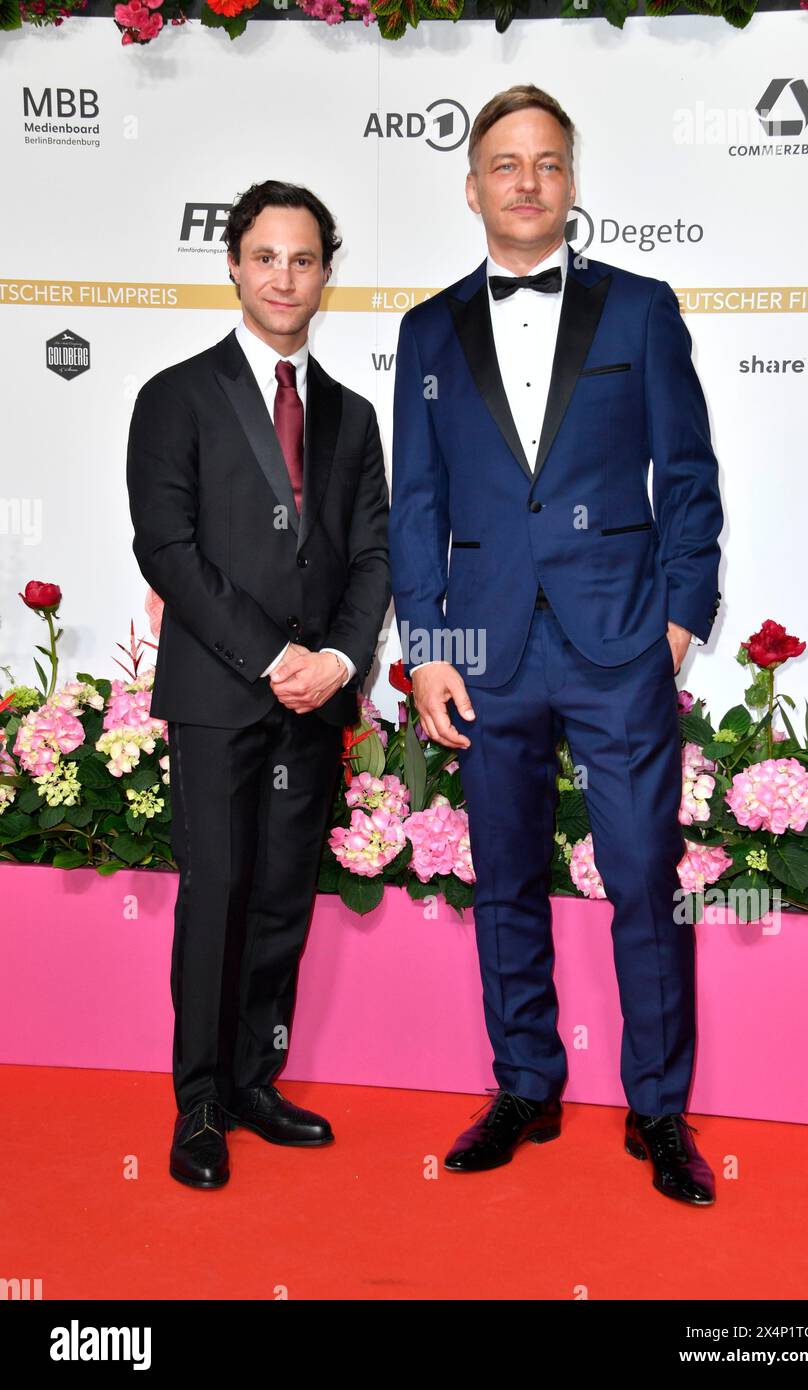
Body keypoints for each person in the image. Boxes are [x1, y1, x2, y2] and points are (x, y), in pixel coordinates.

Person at [389, 86, 723, 1205]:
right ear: (473, 183)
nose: (526, 182)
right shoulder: (427, 328)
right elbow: (415, 501)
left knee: (644, 875)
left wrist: (679, 616)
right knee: (506, 882)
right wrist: (428, 644)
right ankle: (525, 1080)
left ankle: (660, 1109)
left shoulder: (640, 308)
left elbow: (687, 476)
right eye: (504, 164)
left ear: (571, 184)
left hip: (619, 640)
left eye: (547, 164)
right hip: (483, 649)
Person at [126, 180, 391, 1189]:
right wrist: (271, 656)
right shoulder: (175, 396)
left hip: (316, 699)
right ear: (233, 264)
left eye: (305, 258)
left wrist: (339, 658)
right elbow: (169, 549)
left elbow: (373, 552)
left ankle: (252, 1079)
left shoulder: (355, 417)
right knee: (219, 893)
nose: (286, 276)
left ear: (328, 272)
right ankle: (196, 1101)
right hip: (218, 692)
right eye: (266, 256)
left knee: (283, 898)